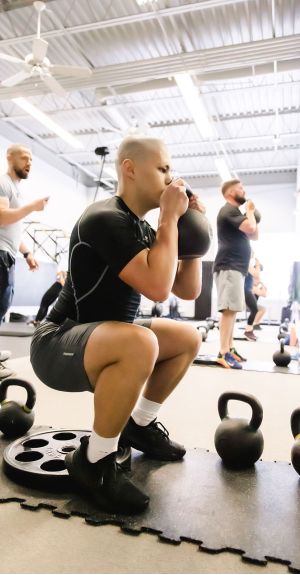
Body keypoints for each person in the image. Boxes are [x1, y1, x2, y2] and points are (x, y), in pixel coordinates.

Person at [30, 136, 204, 515]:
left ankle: (139, 424)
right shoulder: (104, 218)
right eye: (163, 169)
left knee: (187, 337)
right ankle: (94, 460)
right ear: (129, 168)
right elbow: (158, 289)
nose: (171, 178)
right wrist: (171, 219)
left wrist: (192, 238)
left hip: (105, 336)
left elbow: (187, 290)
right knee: (141, 342)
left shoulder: (143, 228)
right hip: (56, 342)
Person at [0, 144, 49, 378]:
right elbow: (1, 217)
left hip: (7, 254)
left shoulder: (17, 191)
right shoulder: (3, 182)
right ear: (10, 158)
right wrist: (33, 207)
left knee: (2, 306)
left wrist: (28, 254)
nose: (29, 162)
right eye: (24, 157)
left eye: (31, 158)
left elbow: (13, 228)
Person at [213, 179, 258, 369]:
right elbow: (251, 228)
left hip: (236, 267)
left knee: (233, 310)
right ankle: (223, 353)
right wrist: (250, 211)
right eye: (240, 188)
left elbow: (255, 234)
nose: (244, 190)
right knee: (229, 310)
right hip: (229, 265)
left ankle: (230, 348)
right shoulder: (228, 211)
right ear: (230, 193)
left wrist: (252, 213)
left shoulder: (236, 214)